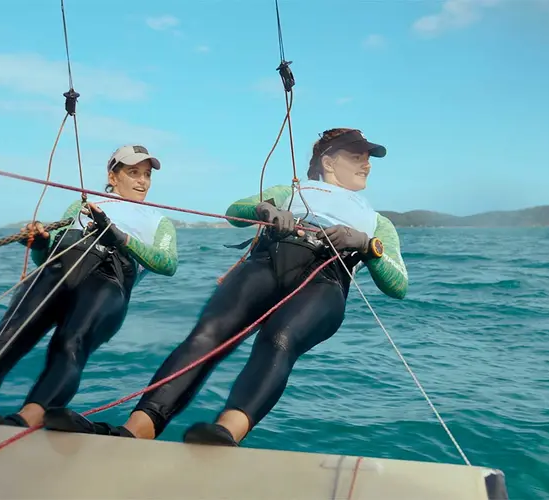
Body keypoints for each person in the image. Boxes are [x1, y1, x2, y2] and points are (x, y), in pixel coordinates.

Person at [43, 127, 408, 445]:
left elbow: (398, 284)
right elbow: (238, 209)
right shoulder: (291, 190)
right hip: (269, 261)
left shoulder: (377, 222)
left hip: (325, 280)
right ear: (329, 162)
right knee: (206, 336)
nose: (367, 164)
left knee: (279, 338)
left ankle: (226, 432)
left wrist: (366, 244)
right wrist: (266, 210)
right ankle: (135, 431)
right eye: (358, 156)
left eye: (369, 158)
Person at [0, 144, 179, 428]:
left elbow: (168, 264)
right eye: (134, 172)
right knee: (10, 332)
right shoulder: (84, 204)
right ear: (113, 176)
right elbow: (47, 253)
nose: (142, 181)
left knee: (70, 341)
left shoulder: (159, 220)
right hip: (58, 268)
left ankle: (25, 421)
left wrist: (119, 237)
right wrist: (40, 243)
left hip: (110, 278)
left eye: (146, 175)